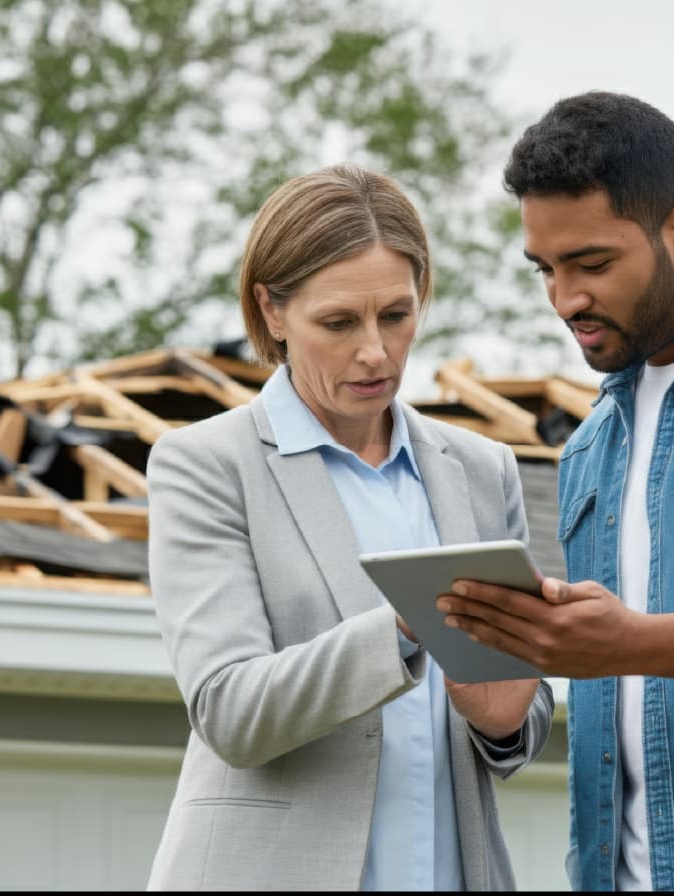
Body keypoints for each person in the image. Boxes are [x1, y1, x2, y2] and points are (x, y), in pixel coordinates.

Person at [145, 163, 554, 891]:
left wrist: (505, 720)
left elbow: (515, 709)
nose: (375, 351)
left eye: (396, 315)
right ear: (271, 311)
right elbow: (229, 711)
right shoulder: (205, 465)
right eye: (338, 323)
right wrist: (404, 628)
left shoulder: (484, 468)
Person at [436, 91, 674, 892]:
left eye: (592, 264)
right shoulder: (586, 447)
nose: (565, 300)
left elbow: (628, 644)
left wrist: (628, 642)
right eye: (546, 269)